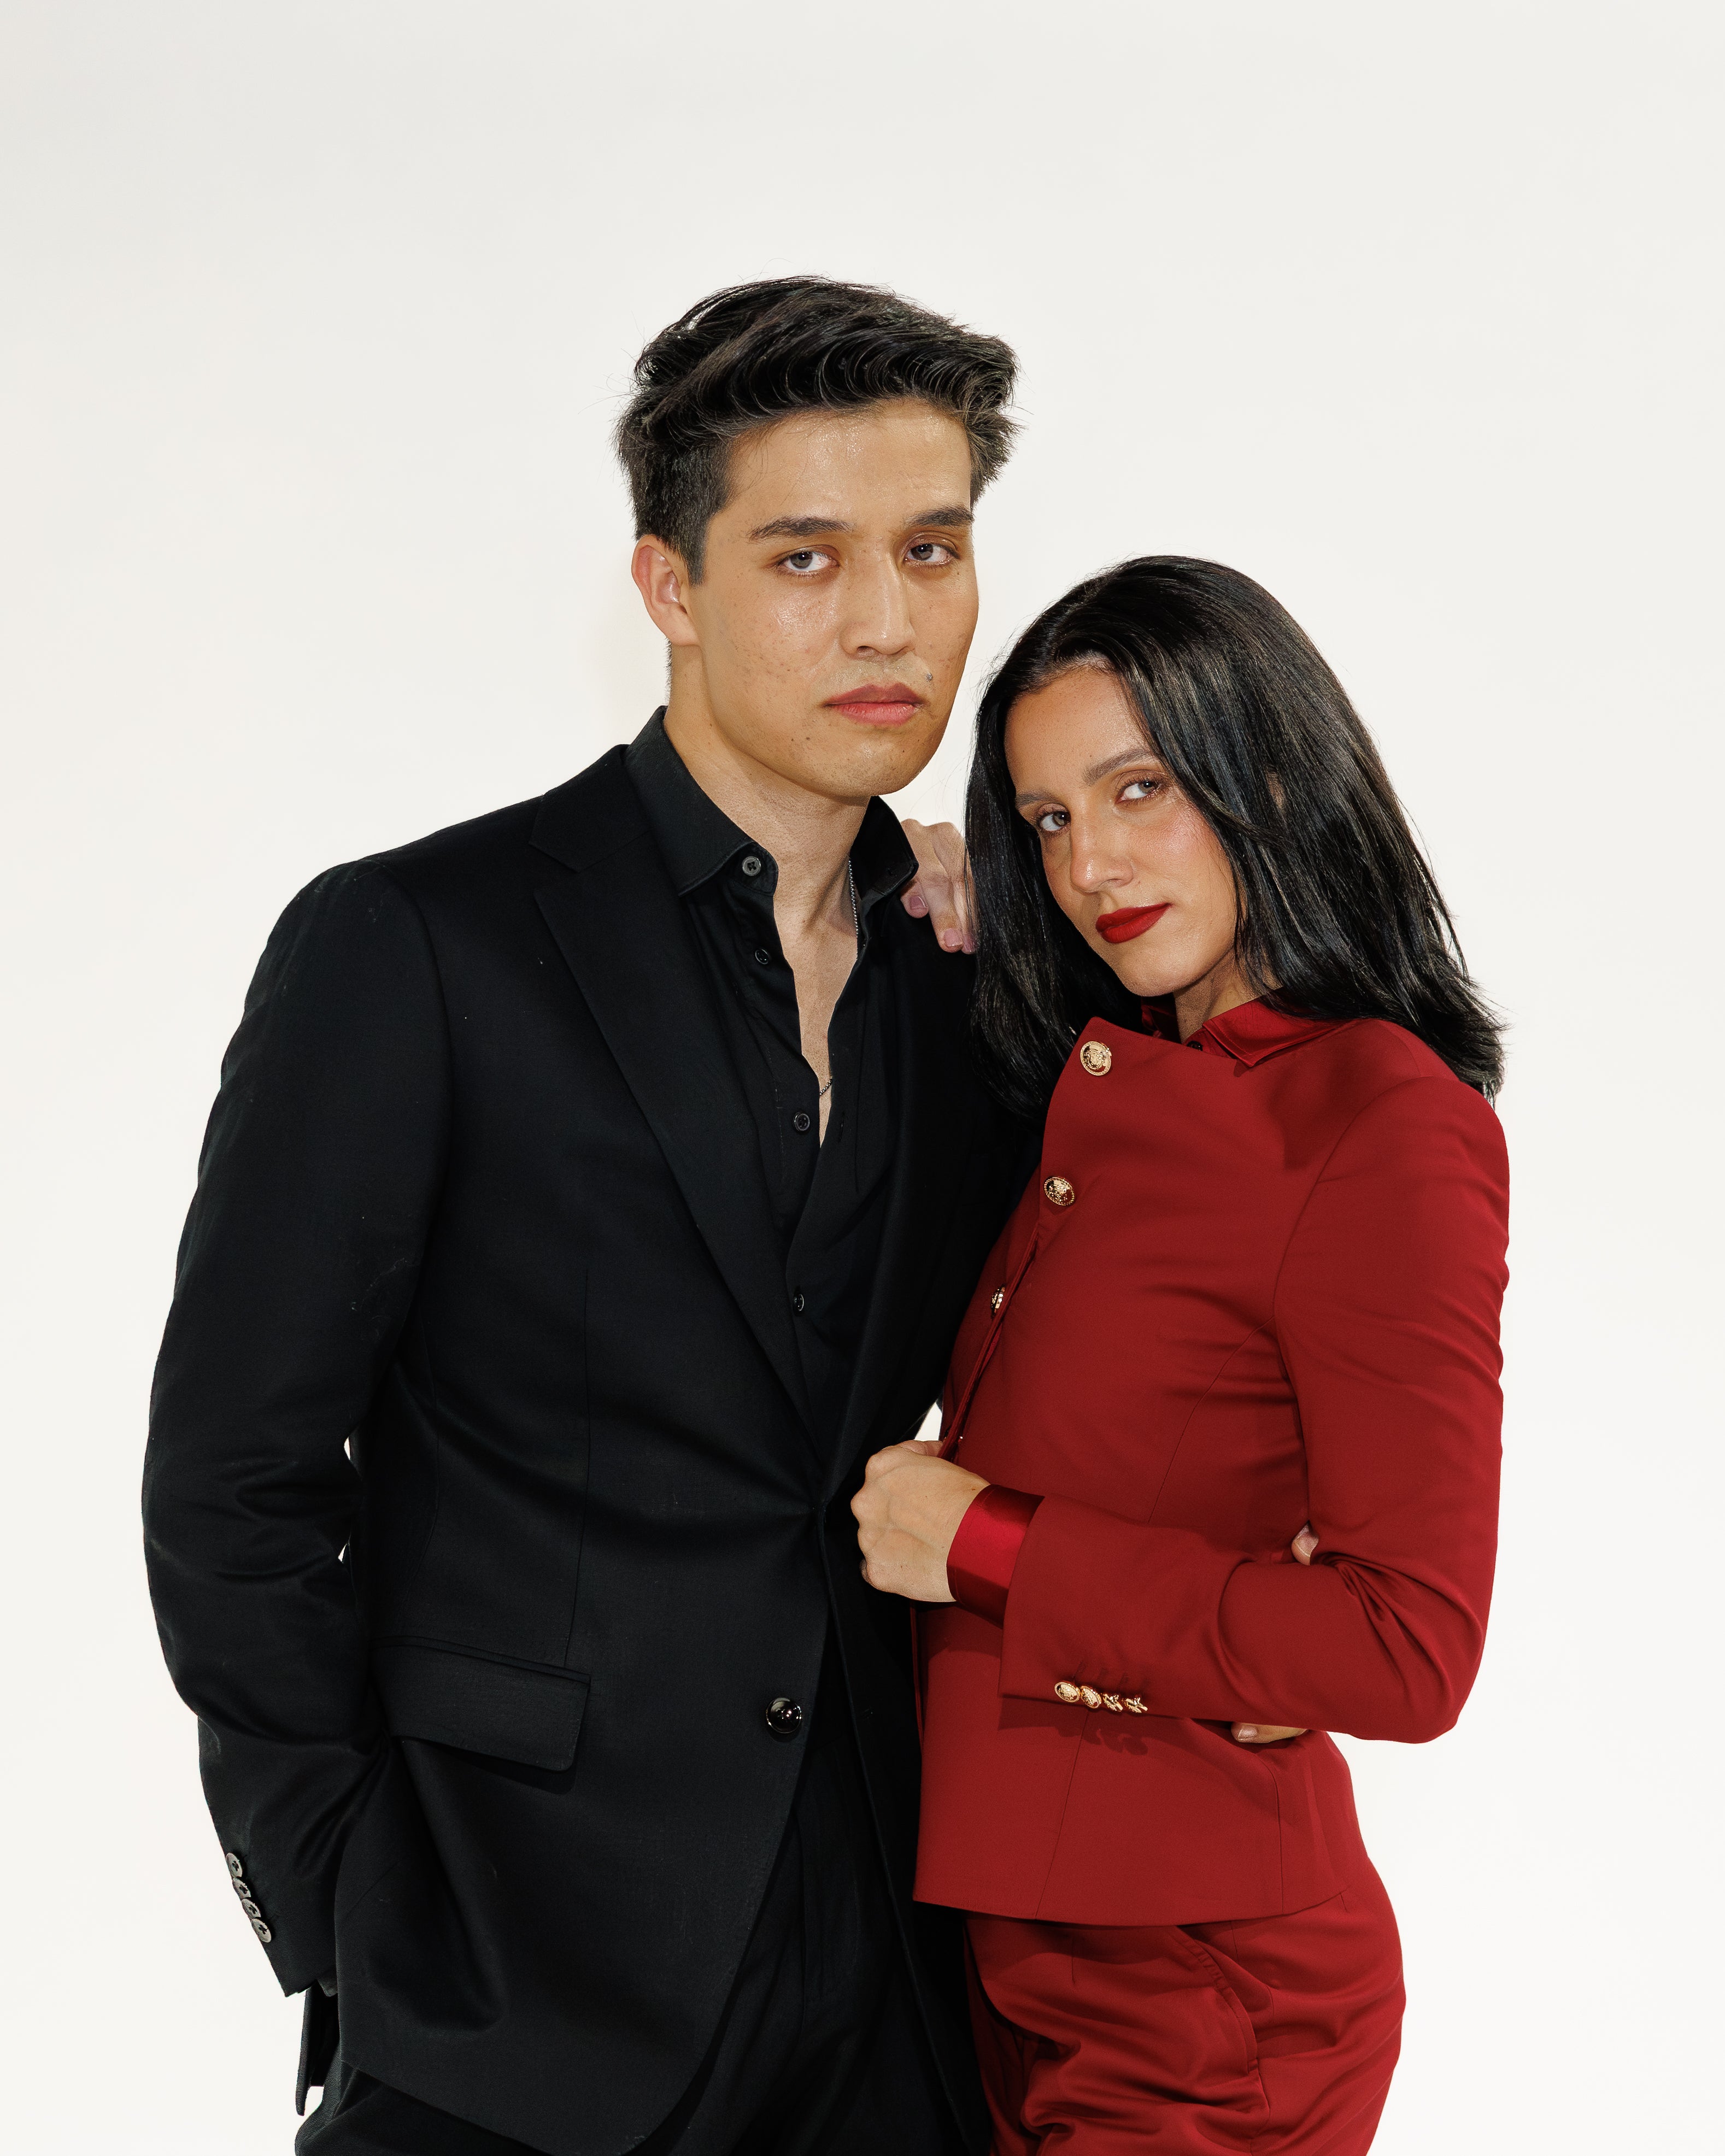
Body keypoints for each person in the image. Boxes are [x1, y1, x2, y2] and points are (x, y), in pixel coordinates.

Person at [142, 277, 1026, 2156]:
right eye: (803, 555)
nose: (885, 617)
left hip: (893, 1981)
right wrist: (348, 1915)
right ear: (667, 586)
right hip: (502, 1983)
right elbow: (234, 1474)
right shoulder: (418, 945)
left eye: (930, 547)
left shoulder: (982, 980)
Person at [853, 557, 1509, 2153]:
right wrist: (926, 906)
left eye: (1139, 788)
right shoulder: (1107, 1081)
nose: (1093, 863)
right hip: (1011, 1957)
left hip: (1207, 1997)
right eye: (1050, 819)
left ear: (1265, 769)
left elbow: (1405, 1645)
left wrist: (987, 1543)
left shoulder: (1376, 1116)